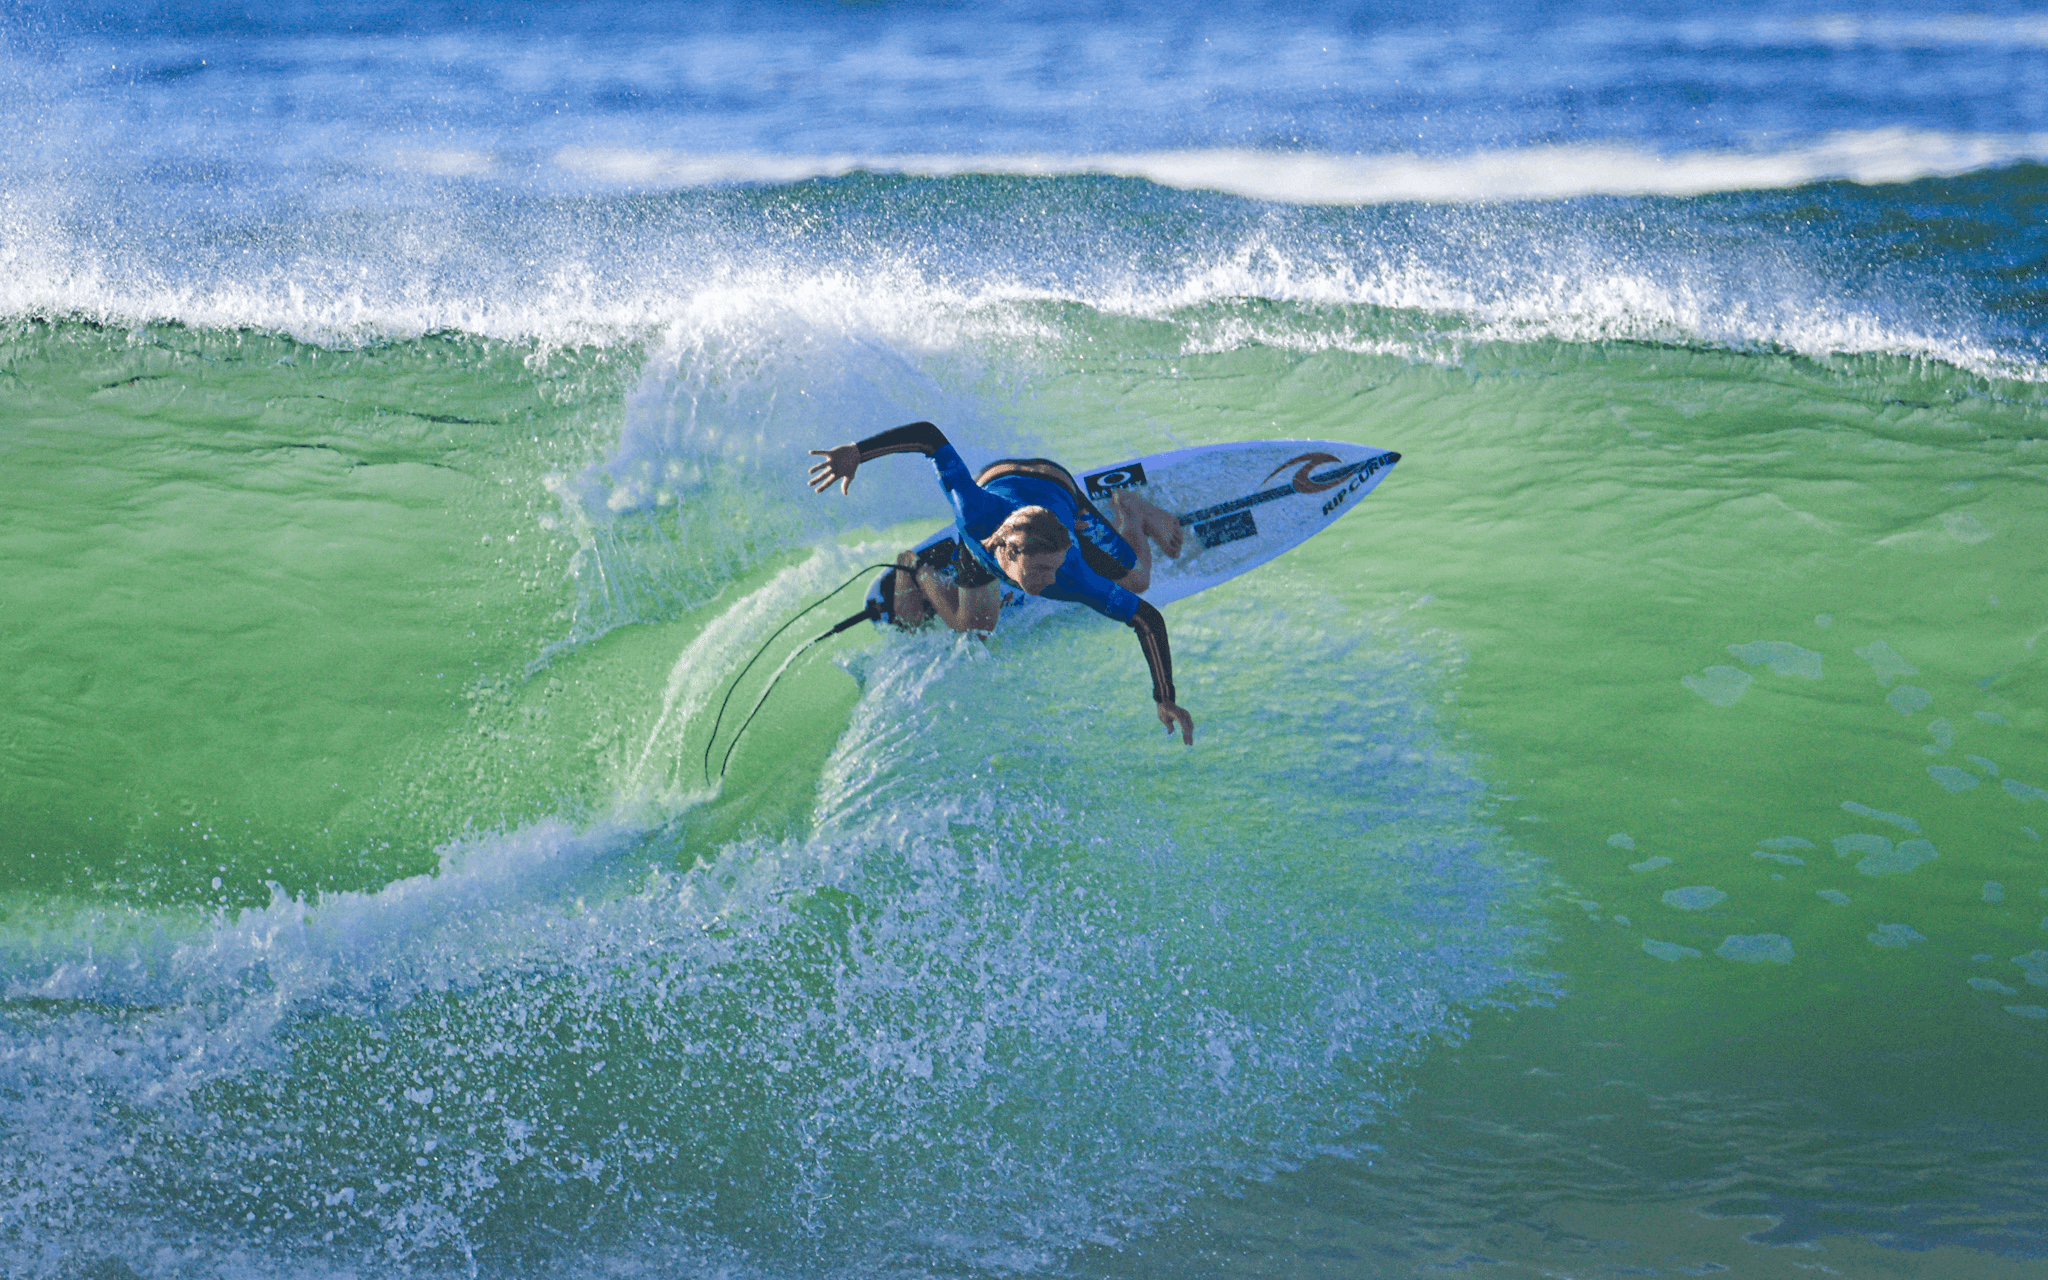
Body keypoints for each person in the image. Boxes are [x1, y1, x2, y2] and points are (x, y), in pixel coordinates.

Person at [808, 421, 1195, 744]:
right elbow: (929, 437)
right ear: (1009, 555)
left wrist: (1165, 698)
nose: (1050, 581)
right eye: (1040, 571)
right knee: (975, 627)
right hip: (997, 493)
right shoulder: (972, 509)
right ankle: (913, 564)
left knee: (1138, 580)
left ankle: (1132, 509)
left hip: (1059, 491)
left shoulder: (1071, 572)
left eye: (1054, 569)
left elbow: (1146, 618)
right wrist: (858, 452)